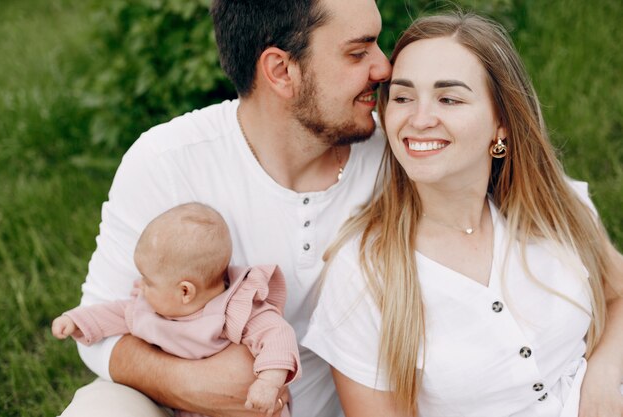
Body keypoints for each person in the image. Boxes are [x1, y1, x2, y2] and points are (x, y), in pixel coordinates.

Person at [58, 0, 391, 416]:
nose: (384, 68)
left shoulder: (399, 159)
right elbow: (98, 329)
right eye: (358, 53)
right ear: (281, 71)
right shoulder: (169, 161)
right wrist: (192, 384)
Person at [303, 11, 623, 417]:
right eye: (402, 97)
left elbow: (618, 295)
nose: (419, 120)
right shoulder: (364, 273)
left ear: (501, 123)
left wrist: (603, 373)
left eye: (449, 99)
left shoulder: (554, 207)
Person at [52, 203, 300, 417]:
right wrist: (76, 320)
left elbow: (277, 335)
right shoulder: (150, 311)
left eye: (148, 281)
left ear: (185, 291)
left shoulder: (235, 308)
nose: (141, 287)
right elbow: (117, 313)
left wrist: (269, 381)